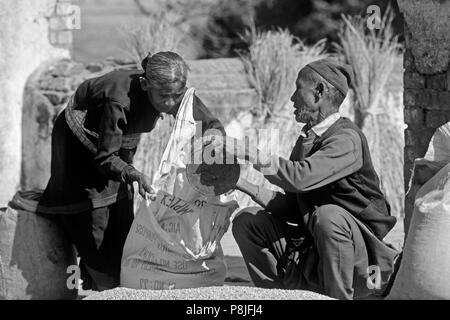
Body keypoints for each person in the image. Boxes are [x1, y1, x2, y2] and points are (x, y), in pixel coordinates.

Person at [208, 59, 400, 299]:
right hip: (316, 250)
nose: (291, 98)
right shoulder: (308, 140)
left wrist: (245, 151)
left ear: (318, 92)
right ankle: (279, 295)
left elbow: (298, 178)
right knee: (247, 221)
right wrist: (239, 183)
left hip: (360, 260)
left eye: (298, 88)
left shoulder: (345, 139)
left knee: (329, 216)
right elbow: (295, 207)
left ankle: (339, 297)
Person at [38, 51, 224, 291]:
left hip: (116, 145)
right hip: (79, 148)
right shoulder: (117, 100)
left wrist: (214, 146)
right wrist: (133, 173)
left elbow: (209, 124)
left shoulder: (172, 91)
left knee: (122, 217)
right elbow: (105, 157)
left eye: (176, 96)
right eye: (164, 97)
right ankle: (101, 284)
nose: (171, 104)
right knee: (94, 216)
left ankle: (109, 282)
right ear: (145, 85)